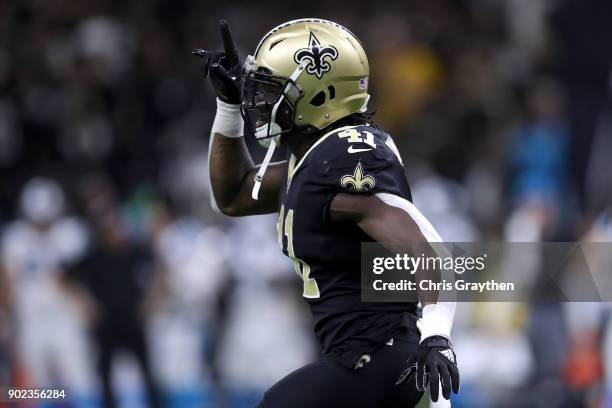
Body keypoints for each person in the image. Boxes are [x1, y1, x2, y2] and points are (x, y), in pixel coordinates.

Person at [193, 19, 460, 407]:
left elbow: (427, 248)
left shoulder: (344, 158)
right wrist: (228, 105)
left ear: (319, 95)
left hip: (382, 360)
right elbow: (233, 195)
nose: (260, 104)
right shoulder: (311, 160)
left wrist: (437, 335)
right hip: (363, 360)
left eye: (272, 92)